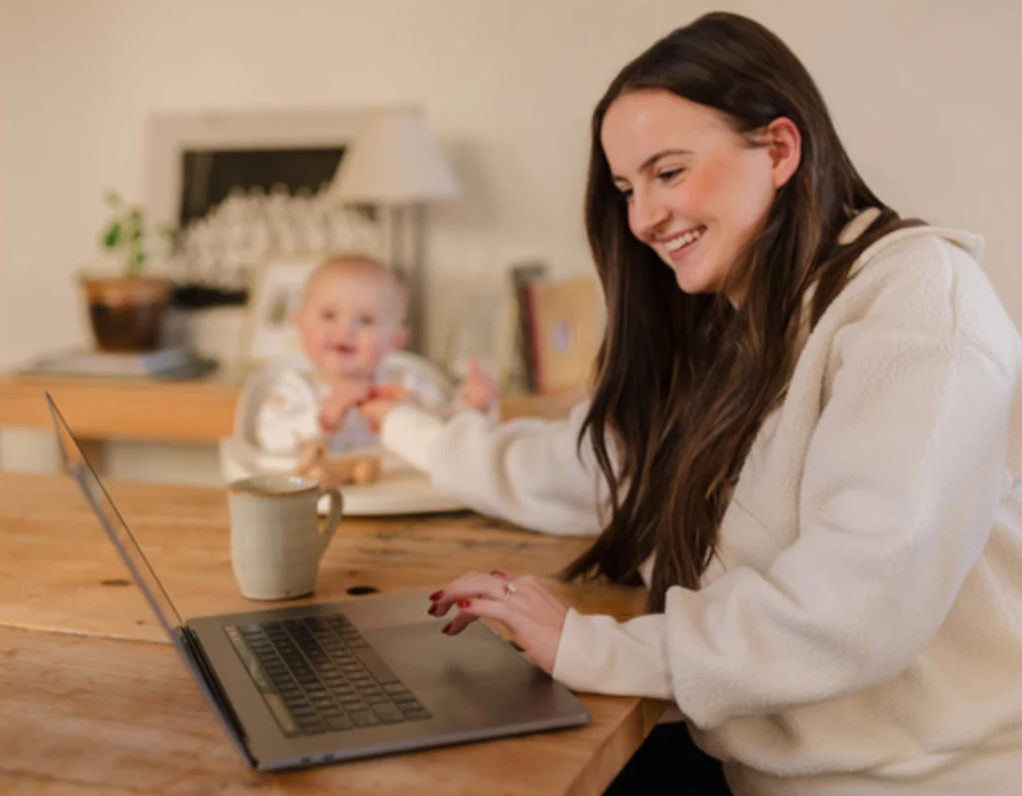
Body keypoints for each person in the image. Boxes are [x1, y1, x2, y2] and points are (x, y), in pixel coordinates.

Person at [358, 11, 1022, 796]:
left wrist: (592, 646)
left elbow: (856, 605)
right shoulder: (735, 329)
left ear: (779, 149)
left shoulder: (918, 305)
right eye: (626, 188)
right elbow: (586, 471)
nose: (640, 219)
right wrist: (407, 425)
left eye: (668, 173)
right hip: (748, 769)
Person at [255, 253, 496, 458]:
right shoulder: (295, 388)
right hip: (321, 500)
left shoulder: (408, 383)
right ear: (301, 325)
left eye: (366, 320)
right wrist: (321, 419)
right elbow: (267, 439)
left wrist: (471, 407)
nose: (345, 330)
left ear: (396, 340)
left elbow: (444, 437)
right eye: (329, 315)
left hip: (402, 498)